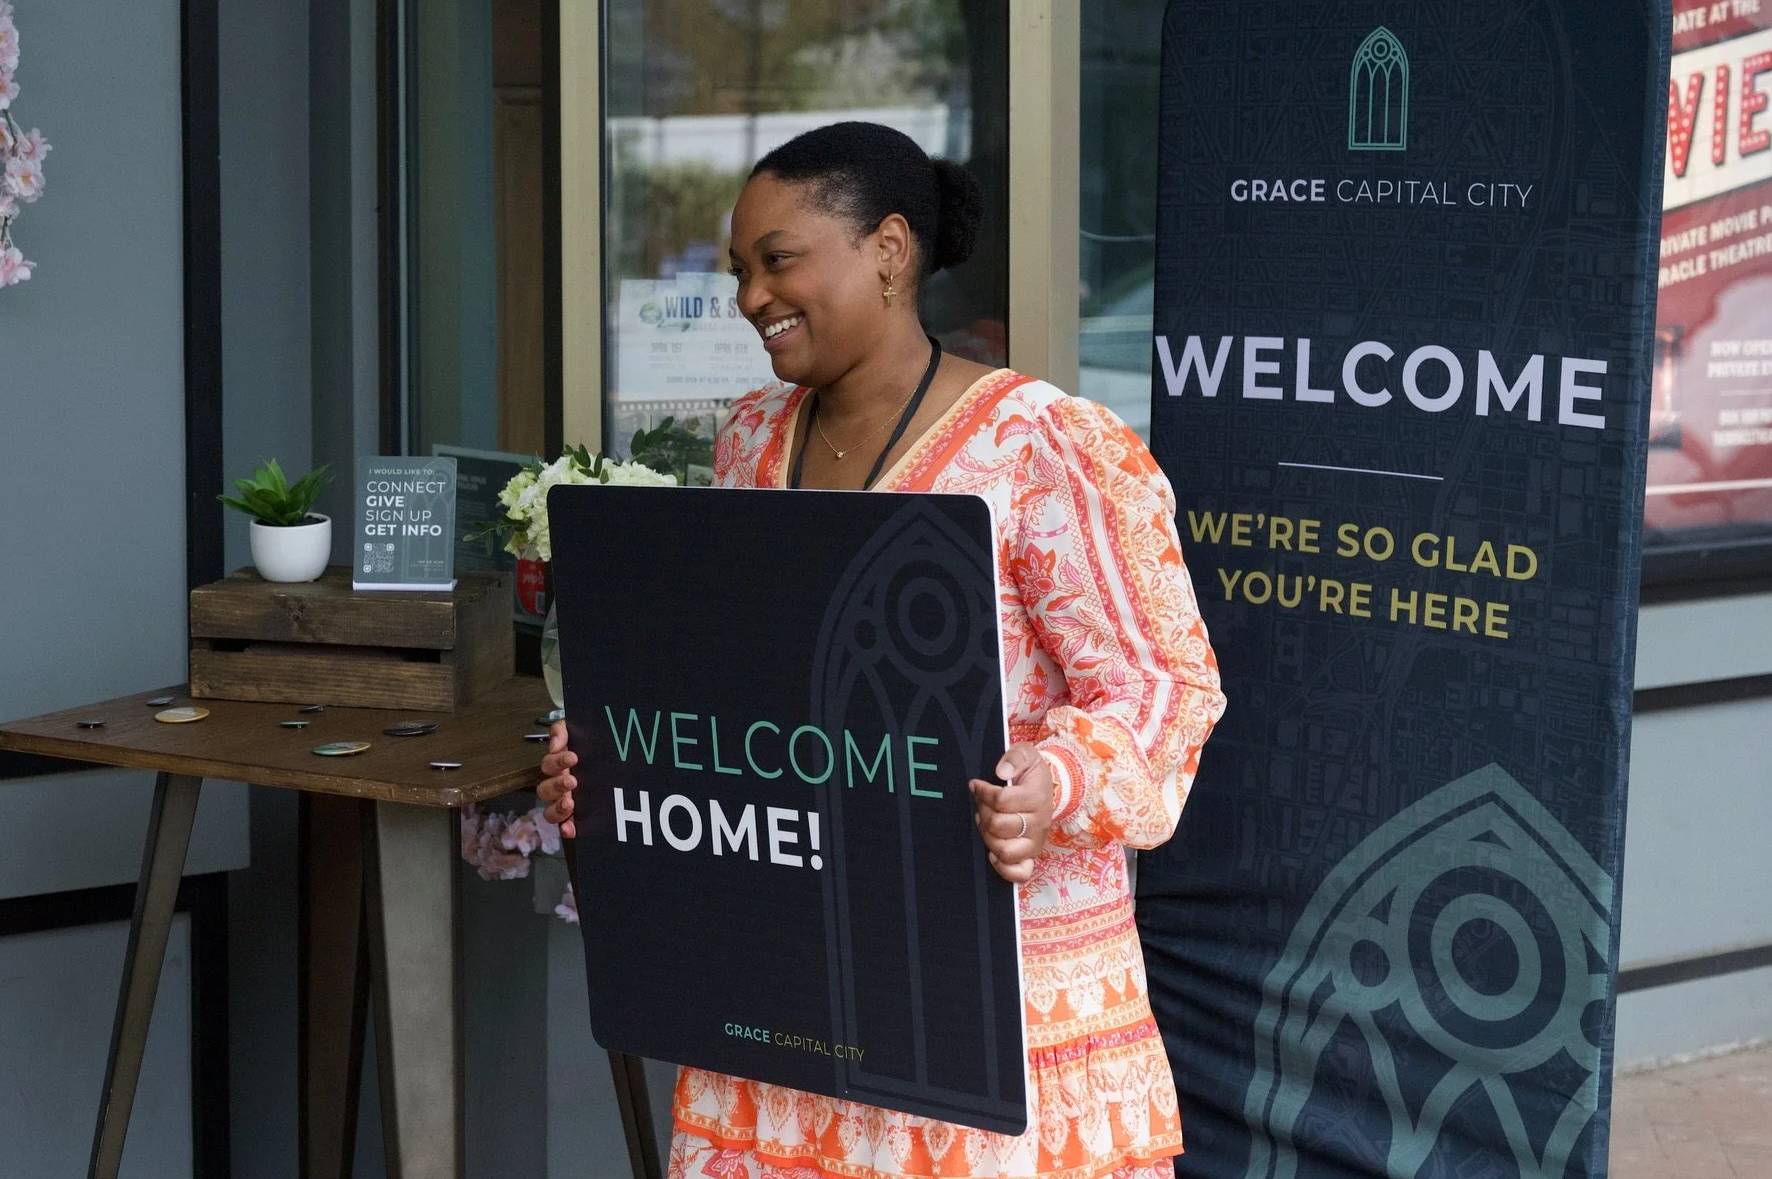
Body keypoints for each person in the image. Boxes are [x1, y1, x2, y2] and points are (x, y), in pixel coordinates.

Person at [537, 121, 1226, 1179]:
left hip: (983, 1008)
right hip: (783, 996)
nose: (750, 298)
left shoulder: (1043, 448)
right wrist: (615, 758)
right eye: (739, 271)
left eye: (777, 261)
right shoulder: (750, 439)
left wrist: (1053, 781)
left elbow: (1164, 684)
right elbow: (733, 686)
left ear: (889, 251)